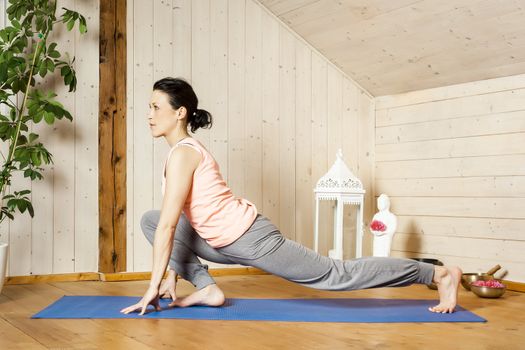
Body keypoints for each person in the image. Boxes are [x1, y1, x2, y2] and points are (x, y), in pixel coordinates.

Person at [120, 77, 462, 316]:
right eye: (148, 107)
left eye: (155, 107)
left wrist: (151, 288)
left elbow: (169, 230)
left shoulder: (184, 153)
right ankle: (207, 289)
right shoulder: (179, 153)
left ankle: (436, 274)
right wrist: (169, 278)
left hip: (251, 238)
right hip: (218, 242)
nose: (149, 114)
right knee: (151, 219)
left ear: (180, 112)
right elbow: (169, 223)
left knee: (335, 275)